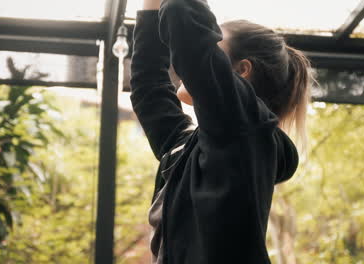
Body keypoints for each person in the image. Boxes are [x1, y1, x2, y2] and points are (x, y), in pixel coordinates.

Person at [130, 0, 314, 263]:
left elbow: (189, 39)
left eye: (213, 47)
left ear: (241, 71)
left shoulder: (243, 132)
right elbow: (148, 86)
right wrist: (150, 8)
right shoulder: (186, 150)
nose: (186, 62)